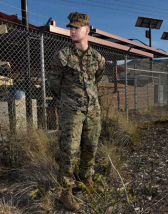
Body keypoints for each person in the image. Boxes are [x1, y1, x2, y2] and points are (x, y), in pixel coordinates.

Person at [48, 12, 105, 211]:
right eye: (71, 27)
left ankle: (86, 182)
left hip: (93, 111)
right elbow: (54, 84)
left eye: (77, 27)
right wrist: (69, 100)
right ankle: (65, 193)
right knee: (69, 152)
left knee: (90, 148)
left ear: (87, 30)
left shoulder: (98, 58)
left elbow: (96, 82)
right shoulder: (62, 56)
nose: (72, 30)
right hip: (70, 112)